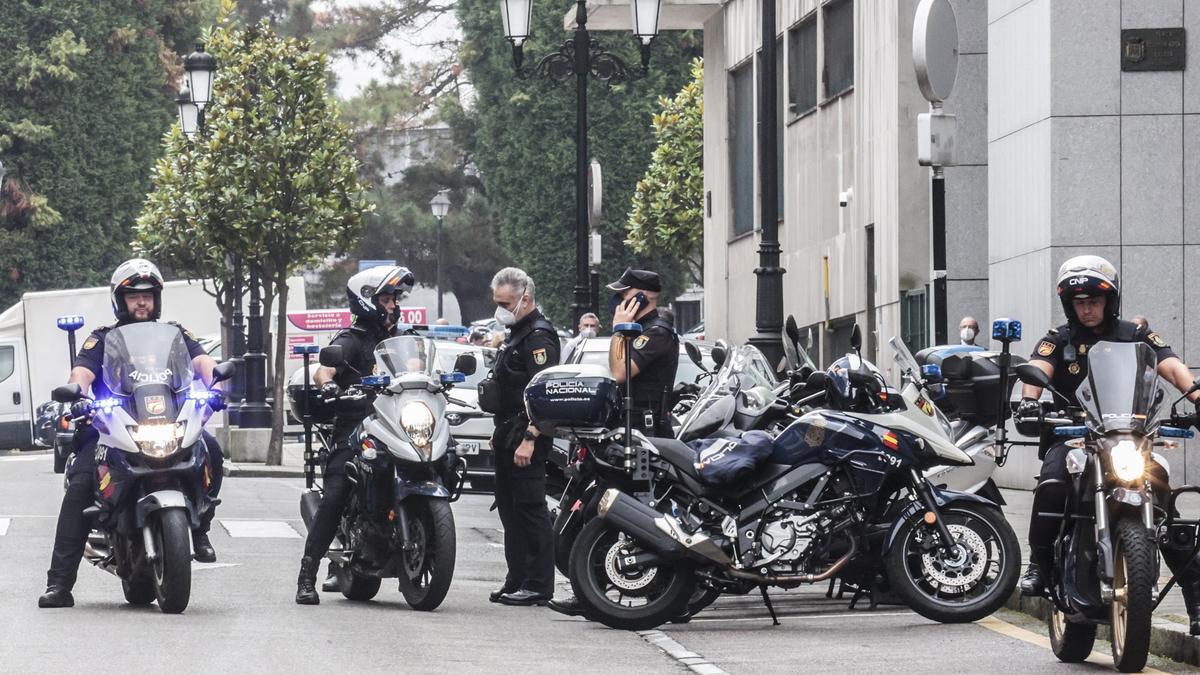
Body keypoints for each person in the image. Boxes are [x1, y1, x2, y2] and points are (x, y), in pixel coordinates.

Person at [1015, 255, 1200, 633]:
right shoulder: (1059, 339)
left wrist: (1195, 394)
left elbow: (1170, 363)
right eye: (1079, 302)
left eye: (1094, 301)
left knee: (1165, 496)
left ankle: (1196, 599)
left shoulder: (1135, 334)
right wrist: (1029, 401)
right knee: (1052, 481)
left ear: (1109, 301)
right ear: (1070, 305)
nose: (1087, 308)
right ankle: (1039, 562)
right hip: (1075, 438)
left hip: (1129, 436)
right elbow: (1038, 369)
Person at [38, 259, 226, 608]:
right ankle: (59, 584)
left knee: (211, 450)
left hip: (167, 422)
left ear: (157, 299)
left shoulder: (176, 335)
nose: (142, 303)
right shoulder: (103, 338)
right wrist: (77, 393)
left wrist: (216, 379)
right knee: (80, 484)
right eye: (133, 297)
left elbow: (201, 361)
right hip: (112, 427)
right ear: (119, 301)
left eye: (148, 296)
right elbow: (82, 372)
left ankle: (200, 530)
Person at [549, 267, 678, 618]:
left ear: (640, 297)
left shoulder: (657, 333)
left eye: (624, 295)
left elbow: (621, 372)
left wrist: (620, 328)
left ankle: (664, 594)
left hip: (646, 437)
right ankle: (592, 592)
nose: (617, 301)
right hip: (628, 433)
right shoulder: (643, 331)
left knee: (630, 513)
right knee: (605, 510)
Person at [295, 265, 415, 605]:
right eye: (387, 298)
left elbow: (421, 368)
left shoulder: (402, 339)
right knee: (335, 493)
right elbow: (324, 370)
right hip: (357, 426)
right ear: (367, 301)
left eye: (394, 299)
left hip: (397, 426)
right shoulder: (351, 339)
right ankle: (308, 573)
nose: (393, 305)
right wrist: (330, 385)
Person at [484, 267, 559, 606]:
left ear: (525, 299)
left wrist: (531, 437)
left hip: (526, 433)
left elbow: (545, 393)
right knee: (510, 511)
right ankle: (516, 579)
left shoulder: (539, 336)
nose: (499, 308)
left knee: (530, 509)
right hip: (508, 430)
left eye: (505, 302)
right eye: (497, 301)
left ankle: (539, 584)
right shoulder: (517, 332)